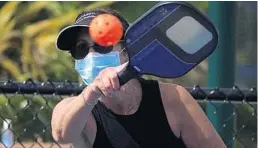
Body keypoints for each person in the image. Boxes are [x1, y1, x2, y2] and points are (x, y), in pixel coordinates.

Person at [51, 8, 226, 148]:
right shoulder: (77, 110)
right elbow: (62, 134)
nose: (91, 54)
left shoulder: (173, 99)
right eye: (80, 49)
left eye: (103, 44)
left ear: (127, 50)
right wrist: (93, 92)